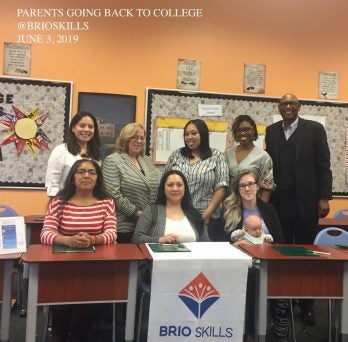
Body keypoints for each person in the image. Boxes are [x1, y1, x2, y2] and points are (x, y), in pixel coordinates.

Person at [265, 93, 332, 326]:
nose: (288, 107)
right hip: (279, 205)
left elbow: (324, 165)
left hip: (306, 204)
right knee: (280, 255)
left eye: (292, 103)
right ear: (279, 107)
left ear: (299, 107)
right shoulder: (272, 131)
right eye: (284, 103)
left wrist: (324, 197)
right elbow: (268, 166)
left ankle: (307, 307)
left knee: (306, 256)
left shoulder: (314, 129)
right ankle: (280, 304)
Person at [40, 159, 117, 342]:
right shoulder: (59, 201)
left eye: (92, 172)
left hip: (95, 266)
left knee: (91, 305)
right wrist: (68, 240)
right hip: (62, 266)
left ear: (97, 179)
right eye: (81, 172)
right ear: (72, 178)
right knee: (62, 305)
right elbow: (45, 234)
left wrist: (93, 239)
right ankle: (59, 335)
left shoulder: (106, 202)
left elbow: (112, 234)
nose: (86, 176)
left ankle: (78, 336)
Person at [223, 170, 288, 342]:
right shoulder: (231, 210)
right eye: (242, 185)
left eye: (250, 184)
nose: (247, 188)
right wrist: (237, 245)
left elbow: (280, 240)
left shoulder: (268, 209)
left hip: (269, 262)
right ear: (238, 189)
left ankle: (280, 329)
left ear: (257, 186)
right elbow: (226, 241)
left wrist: (268, 246)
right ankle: (250, 330)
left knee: (283, 278)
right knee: (251, 279)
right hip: (244, 264)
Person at [164, 119, 229, 241]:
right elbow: (165, 182)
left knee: (205, 256)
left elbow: (221, 187)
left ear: (203, 134)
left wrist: (206, 216)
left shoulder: (217, 156)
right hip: (178, 215)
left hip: (207, 218)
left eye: (194, 133)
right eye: (186, 134)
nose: (189, 137)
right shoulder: (176, 154)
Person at [102, 122, 160, 243]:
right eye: (135, 137)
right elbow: (113, 194)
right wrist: (137, 213)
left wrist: (151, 216)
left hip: (148, 226)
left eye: (142, 138)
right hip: (125, 227)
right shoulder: (113, 160)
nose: (139, 141)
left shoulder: (146, 160)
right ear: (125, 138)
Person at [132, 169, 209, 243]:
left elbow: (206, 243)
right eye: (170, 185)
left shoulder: (194, 214)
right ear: (163, 188)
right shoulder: (152, 211)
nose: (175, 189)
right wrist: (160, 240)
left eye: (179, 185)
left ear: (185, 188)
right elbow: (137, 238)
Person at [45, 111, 101, 197]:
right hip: (64, 205)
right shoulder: (61, 151)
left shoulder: (96, 155)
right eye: (82, 126)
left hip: (90, 205)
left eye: (90, 127)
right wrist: (62, 204)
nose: (86, 129)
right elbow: (52, 185)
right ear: (73, 128)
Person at [225, 114, 275, 201]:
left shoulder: (263, 156)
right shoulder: (227, 154)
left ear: (254, 131)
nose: (243, 133)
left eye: (247, 129)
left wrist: (260, 210)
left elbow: (267, 187)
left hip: (252, 205)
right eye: (239, 130)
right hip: (229, 206)